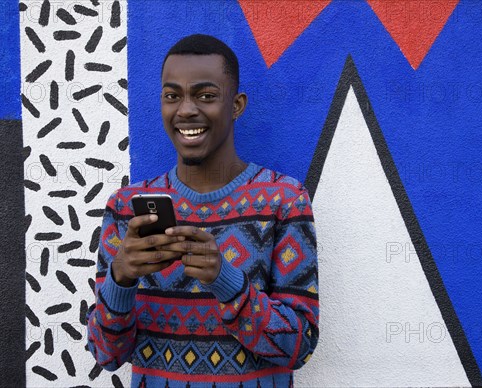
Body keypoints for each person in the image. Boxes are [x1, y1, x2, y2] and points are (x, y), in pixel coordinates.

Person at [86, 34, 319, 387]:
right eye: (172, 96)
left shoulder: (283, 200)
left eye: (206, 96)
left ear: (237, 105)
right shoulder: (124, 210)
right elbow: (107, 355)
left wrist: (226, 282)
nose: (185, 110)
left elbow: (299, 346)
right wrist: (121, 279)